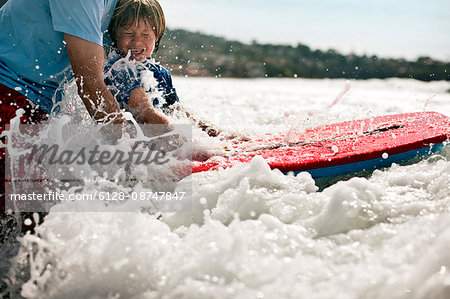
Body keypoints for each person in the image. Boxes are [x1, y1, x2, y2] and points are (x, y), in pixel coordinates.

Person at [0, 0, 123, 237]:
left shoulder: (121, 4)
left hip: (43, 106)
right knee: (22, 222)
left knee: (33, 218)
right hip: (9, 92)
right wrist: (132, 152)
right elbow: (91, 86)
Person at [104, 0, 221, 137]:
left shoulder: (159, 73)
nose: (137, 41)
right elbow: (146, 116)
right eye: (129, 33)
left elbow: (175, 109)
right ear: (115, 34)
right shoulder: (118, 69)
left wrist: (210, 131)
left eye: (146, 35)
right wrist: (189, 142)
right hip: (129, 145)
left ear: (157, 37)